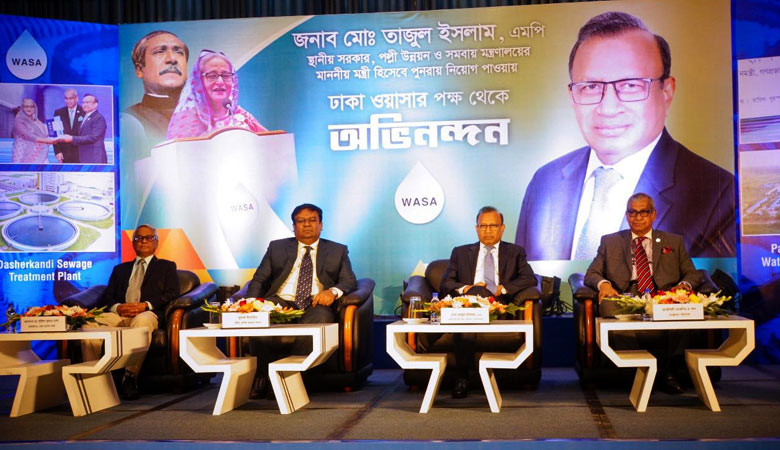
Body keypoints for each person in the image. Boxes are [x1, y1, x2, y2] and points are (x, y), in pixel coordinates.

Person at [515, 11, 735, 261]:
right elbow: (524, 279)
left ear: (667, 91)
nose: (608, 108)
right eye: (591, 87)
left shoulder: (716, 193)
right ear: (572, 96)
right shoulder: (545, 182)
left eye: (630, 85)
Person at [584, 192, 701, 394]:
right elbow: (592, 273)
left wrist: (683, 287)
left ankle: (668, 370)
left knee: (682, 309)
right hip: (625, 295)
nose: (637, 217)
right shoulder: (610, 241)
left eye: (643, 212)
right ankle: (637, 370)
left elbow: (692, 273)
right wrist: (604, 284)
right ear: (627, 215)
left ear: (653, 214)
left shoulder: (673, 241)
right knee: (609, 307)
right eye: (632, 212)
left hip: (662, 295)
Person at [244, 203, 357, 398]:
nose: (307, 225)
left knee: (320, 319)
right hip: (282, 302)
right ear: (293, 226)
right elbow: (259, 279)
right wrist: (251, 305)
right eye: (301, 221)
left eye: (312, 220)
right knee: (262, 318)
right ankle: (265, 374)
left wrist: (332, 292)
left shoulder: (337, 250)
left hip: (316, 303)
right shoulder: (277, 247)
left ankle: (289, 377)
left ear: (321, 225)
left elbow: (349, 281)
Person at [438, 206, 537, 398]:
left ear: (502, 228)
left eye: (493, 226)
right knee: (473, 300)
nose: (488, 230)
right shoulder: (460, 253)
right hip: (468, 306)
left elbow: (529, 279)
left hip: (497, 307)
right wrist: (467, 288)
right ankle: (463, 376)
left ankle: (463, 378)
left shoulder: (515, 252)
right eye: (483, 226)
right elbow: (445, 283)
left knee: (474, 304)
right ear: (476, 229)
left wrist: (503, 289)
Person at [81, 224, 180, 399]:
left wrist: (146, 305)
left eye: (148, 237)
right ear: (133, 243)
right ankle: (95, 378)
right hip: (119, 315)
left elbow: (172, 293)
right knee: (89, 324)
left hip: (147, 314)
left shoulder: (167, 267)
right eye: (139, 238)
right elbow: (108, 296)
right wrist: (117, 307)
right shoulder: (120, 269)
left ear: (156, 242)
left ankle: (130, 377)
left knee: (142, 320)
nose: (143, 241)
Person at [166, 49, 266, 140]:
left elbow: (269, 143)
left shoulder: (241, 116)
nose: (220, 82)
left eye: (226, 75)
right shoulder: (186, 120)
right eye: (212, 76)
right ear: (198, 82)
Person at [124, 30, 189, 149]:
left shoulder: (209, 117)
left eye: (179, 52)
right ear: (139, 70)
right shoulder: (128, 121)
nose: (172, 59)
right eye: (159, 51)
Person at [58, 94, 108, 163]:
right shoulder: (85, 117)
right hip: (84, 157)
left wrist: (72, 138)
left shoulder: (98, 118)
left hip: (94, 158)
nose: (85, 104)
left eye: (87, 102)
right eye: (83, 102)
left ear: (95, 105)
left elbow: (93, 137)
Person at [11, 98, 54, 163]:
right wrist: (47, 140)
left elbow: (45, 134)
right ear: (22, 108)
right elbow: (28, 135)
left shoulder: (36, 121)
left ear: (35, 108)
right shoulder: (19, 121)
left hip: (39, 154)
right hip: (23, 155)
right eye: (26, 106)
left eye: (31, 107)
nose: (29, 109)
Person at [53, 89, 84, 163]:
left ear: (76, 98)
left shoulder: (84, 111)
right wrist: (57, 152)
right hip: (65, 154)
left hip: (82, 154)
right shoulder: (58, 112)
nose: (68, 101)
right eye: (66, 98)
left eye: (70, 98)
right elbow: (56, 133)